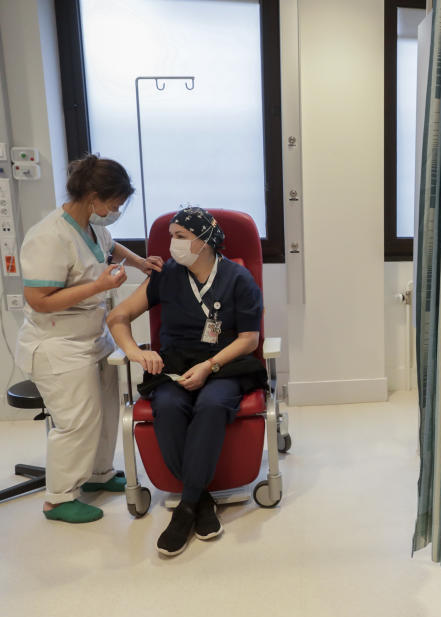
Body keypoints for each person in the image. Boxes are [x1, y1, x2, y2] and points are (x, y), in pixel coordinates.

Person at [107, 207, 265, 556]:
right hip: (174, 364)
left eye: (180, 236)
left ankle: (184, 511)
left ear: (205, 241)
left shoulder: (238, 278)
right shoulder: (166, 276)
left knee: (211, 404)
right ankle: (201, 501)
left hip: (225, 365)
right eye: (171, 235)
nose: (171, 244)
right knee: (167, 405)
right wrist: (135, 351)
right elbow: (118, 317)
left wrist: (209, 365)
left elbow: (250, 339)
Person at [15, 154, 162, 524]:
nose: (116, 210)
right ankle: (59, 498)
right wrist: (97, 286)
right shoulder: (49, 236)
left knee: (107, 410)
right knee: (77, 420)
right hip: (58, 344)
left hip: (93, 335)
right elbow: (38, 300)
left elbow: (110, 249)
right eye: (114, 203)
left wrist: (141, 263)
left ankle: (98, 473)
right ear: (93, 196)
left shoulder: (92, 227)